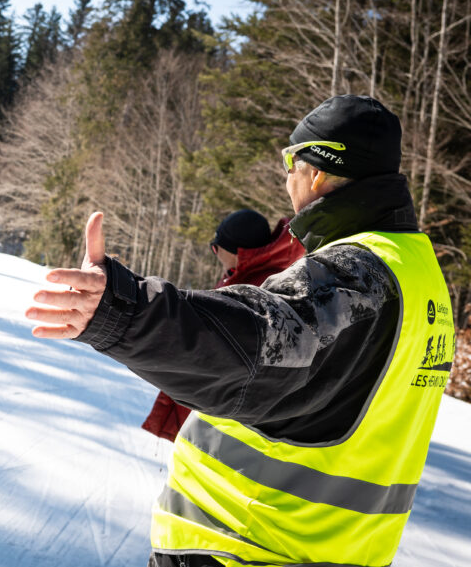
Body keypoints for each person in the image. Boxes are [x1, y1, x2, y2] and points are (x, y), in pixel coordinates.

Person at [26, 95, 454, 567]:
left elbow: (260, 341)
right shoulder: (421, 275)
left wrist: (123, 311)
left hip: (244, 542)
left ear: (313, 171)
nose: (287, 177)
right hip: (335, 549)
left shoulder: (360, 271)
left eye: (289, 162)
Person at [141, 209, 305, 442]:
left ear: (237, 251)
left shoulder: (251, 288)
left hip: (221, 422)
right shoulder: (248, 277)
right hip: (217, 412)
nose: (214, 252)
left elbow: (208, 352)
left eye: (216, 246)